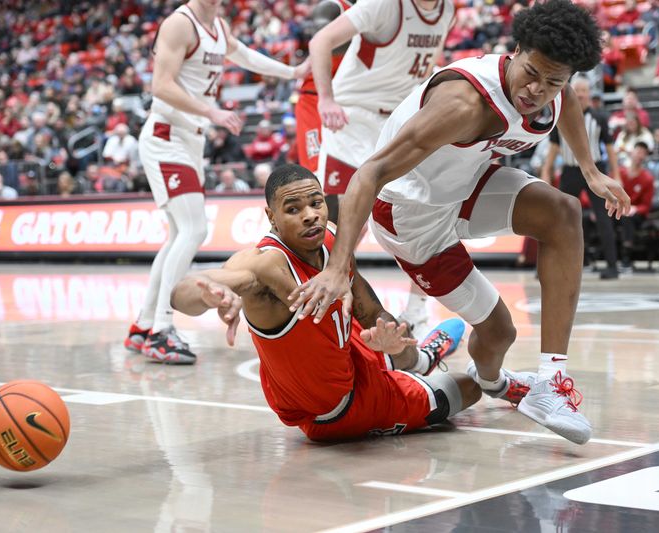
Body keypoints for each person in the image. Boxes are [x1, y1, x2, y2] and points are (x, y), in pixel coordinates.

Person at [288, 0, 631, 445]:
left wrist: (589, 169)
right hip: (410, 213)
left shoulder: (551, 84)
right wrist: (337, 268)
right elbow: (368, 174)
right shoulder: (464, 104)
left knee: (564, 212)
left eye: (553, 81)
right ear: (517, 49)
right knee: (499, 332)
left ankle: (550, 381)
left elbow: (563, 103)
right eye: (532, 73)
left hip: (467, 183)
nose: (537, 90)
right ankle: (496, 383)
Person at [170, 164, 522, 441]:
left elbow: (371, 312)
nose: (310, 215)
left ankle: (419, 359)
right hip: (339, 408)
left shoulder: (333, 237)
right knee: (467, 388)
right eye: (293, 209)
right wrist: (207, 293)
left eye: (316, 202)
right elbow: (184, 291)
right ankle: (419, 364)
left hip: (344, 347)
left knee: (383, 335)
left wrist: (393, 343)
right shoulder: (263, 266)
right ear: (271, 217)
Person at [124, 0, 310, 364]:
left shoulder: (219, 26)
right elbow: (161, 85)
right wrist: (211, 111)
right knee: (193, 230)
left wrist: (292, 73)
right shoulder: (180, 24)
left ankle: (144, 324)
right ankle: (161, 329)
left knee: (179, 234)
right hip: (167, 136)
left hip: (189, 139)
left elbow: (247, 57)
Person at [309, 0, 455, 336]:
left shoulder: (447, 10)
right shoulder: (385, 5)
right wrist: (325, 99)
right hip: (353, 116)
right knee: (341, 222)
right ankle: (319, 297)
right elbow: (320, 41)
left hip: (400, 121)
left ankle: (417, 313)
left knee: (422, 216)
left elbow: (427, 63)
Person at [542, 76, 621, 279]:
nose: (581, 94)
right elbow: (553, 148)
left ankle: (612, 265)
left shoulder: (599, 118)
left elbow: (611, 149)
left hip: (595, 170)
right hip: (570, 171)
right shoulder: (560, 117)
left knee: (604, 218)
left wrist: (616, 174)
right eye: (577, 90)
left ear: (589, 94)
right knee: (558, 217)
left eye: (584, 91)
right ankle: (550, 265)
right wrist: (546, 172)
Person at [295, 0, 352, 175]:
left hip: (346, 97)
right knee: (318, 170)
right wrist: (362, 35)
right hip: (316, 98)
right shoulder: (333, 6)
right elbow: (321, 40)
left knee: (346, 170)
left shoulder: (379, 12)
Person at [617, 142, 654, 271]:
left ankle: (626, 257)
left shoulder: (647, 178)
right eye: (638, 151)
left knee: (628, 217)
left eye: (643, 153)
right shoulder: (619, 172)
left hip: (635, 215)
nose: (640, 155)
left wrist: (635, 208)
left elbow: (646, 206)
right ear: (631, 153)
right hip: (617, 209)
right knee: (598, 216)